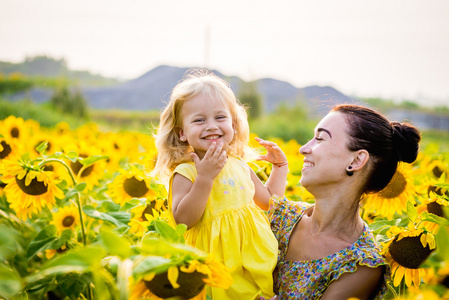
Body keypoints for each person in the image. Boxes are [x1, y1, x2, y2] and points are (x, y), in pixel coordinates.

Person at [152, 69, 289, 299]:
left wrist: (280, 168)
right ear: (182, 133)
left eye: (220, 117)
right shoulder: (186, 172)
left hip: (252, 262)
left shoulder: (239, 165)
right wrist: (204, 178)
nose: (212, 125)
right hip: (216, 267)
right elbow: (183, 220)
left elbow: (269, 202)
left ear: (234, 125)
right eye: (199, 120)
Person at [265, 104, 421, 299]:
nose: (303, 149)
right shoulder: (284, 217)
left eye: (320, 139)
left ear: (356, 161)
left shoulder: (359, 265)